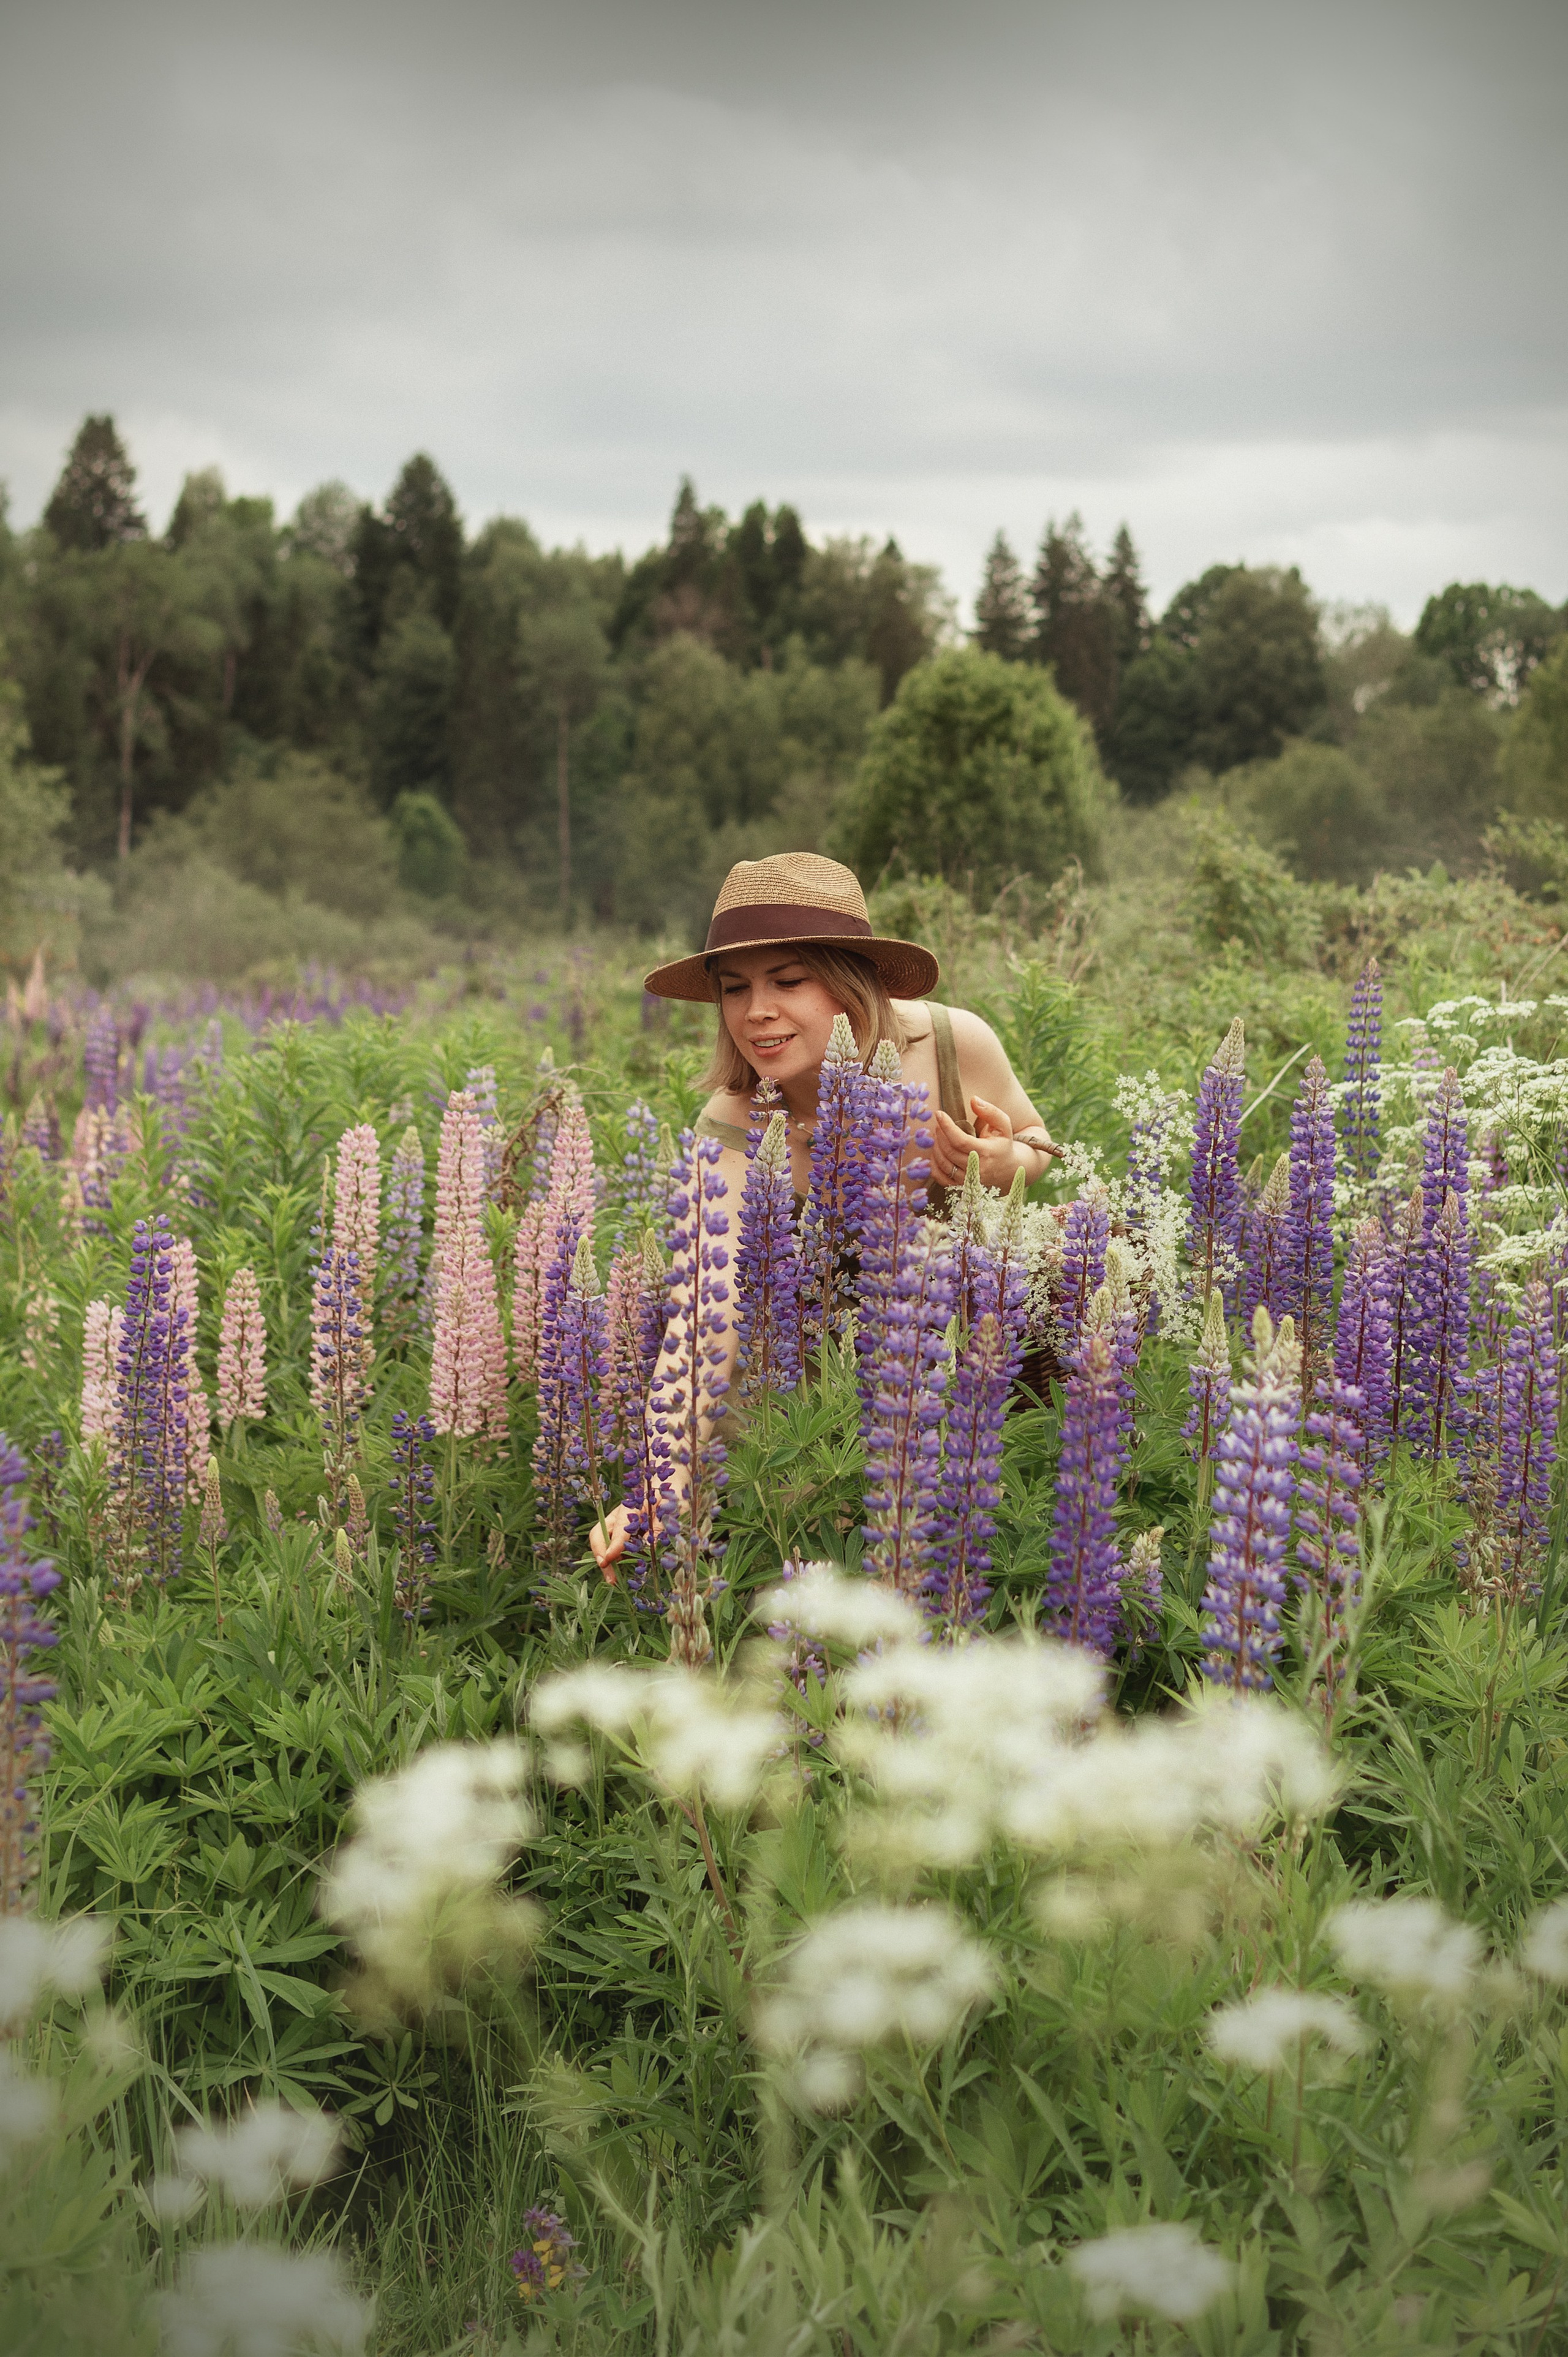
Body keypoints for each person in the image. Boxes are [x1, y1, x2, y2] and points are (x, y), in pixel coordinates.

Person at [588, 852, 1059, 1570]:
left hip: (966, 1368)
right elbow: (702, 1316)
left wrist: (1002, 1165)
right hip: (816, 1404)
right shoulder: (735, 1120)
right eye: (735, 988)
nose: (756, 1011)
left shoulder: (951, 1042)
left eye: (787, 980)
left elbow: (1037, 1144)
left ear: (847, 981)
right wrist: (661, 1484)